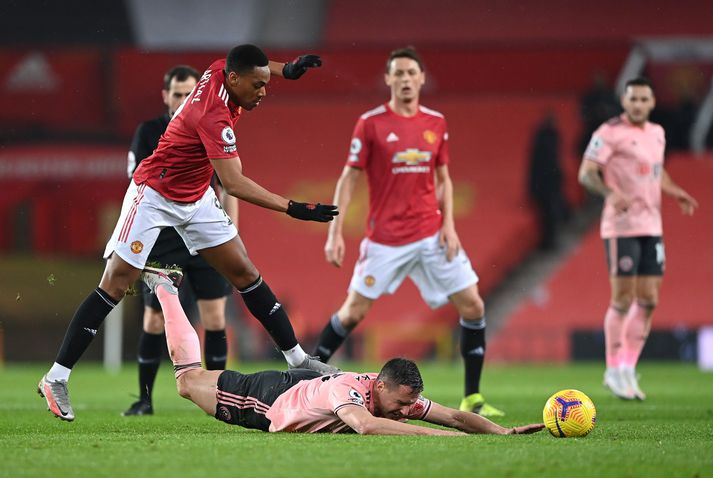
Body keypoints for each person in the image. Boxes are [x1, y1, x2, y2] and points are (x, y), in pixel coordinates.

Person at [38, 44, 339, 422]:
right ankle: (56, 377)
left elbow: (249, 66)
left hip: (195, 197)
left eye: (267, 83)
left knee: (244, 272)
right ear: (234, 80)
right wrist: (294, 208)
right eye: (258, 85)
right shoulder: (213, 116)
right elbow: (234, 183)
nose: (264, 91)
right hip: (154, 194)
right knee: (115, 283)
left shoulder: (219, 70)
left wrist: (288, 69)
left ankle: (299, 360)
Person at [312, 47, 503, 417]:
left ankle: (473, 398)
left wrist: (449, 225)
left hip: (431, 234)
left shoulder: (436, 122)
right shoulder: (370, 123)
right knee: (352, 313)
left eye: (410, 73)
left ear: (421, 78)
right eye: (397, 73)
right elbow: (349, 178)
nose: (404, 79)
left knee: (474, 305)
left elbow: (443, 178)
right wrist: (334, 231)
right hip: (385, 240)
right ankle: (304, 376)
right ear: (388, 79)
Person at [143, 266, 543, 435]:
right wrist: (431, 436)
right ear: (381, 387)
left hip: (302, 385)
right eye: (403, 404)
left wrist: (501, 432)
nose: (406, 411)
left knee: (188, 381)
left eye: (410, 405)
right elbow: (366, 426)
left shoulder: (394, 397)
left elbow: (455, 417)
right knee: (186, 381)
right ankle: (165, 287)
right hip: (264, 398)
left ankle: (166, 288)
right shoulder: (350, 394)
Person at [122, 65, 236, 417]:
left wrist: (232, 228)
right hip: (164, 239)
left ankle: (219, 398)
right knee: (154, 320)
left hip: (204, 236)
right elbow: (140, 182)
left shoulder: (213, 125)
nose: (184, 100)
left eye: (190, 93)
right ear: (165, 96)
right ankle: (144, 400)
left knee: (215, 318)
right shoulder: (150, 132)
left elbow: (228, 182)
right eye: (177, 94)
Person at [578, 77, 699, 401]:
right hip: (621, 227)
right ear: (624, 100)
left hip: (652, 226)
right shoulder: (608, 132)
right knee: (622, 299)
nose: (638, 105)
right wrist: (609, 192)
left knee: (648, 300)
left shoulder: (657, 134)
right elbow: (586, 172)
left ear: (652, 102)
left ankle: (628, 367)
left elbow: (657, 171)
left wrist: (675, 192)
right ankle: (613, 368)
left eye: (644, 99)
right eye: (633, 99)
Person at [527, 111, 569, 250]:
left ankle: (549, 241)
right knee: (549, 214)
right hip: (548, 184)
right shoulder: (550, 138)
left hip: (545, 184)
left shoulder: (544, 138)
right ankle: (549, 241)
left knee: (548, 215)